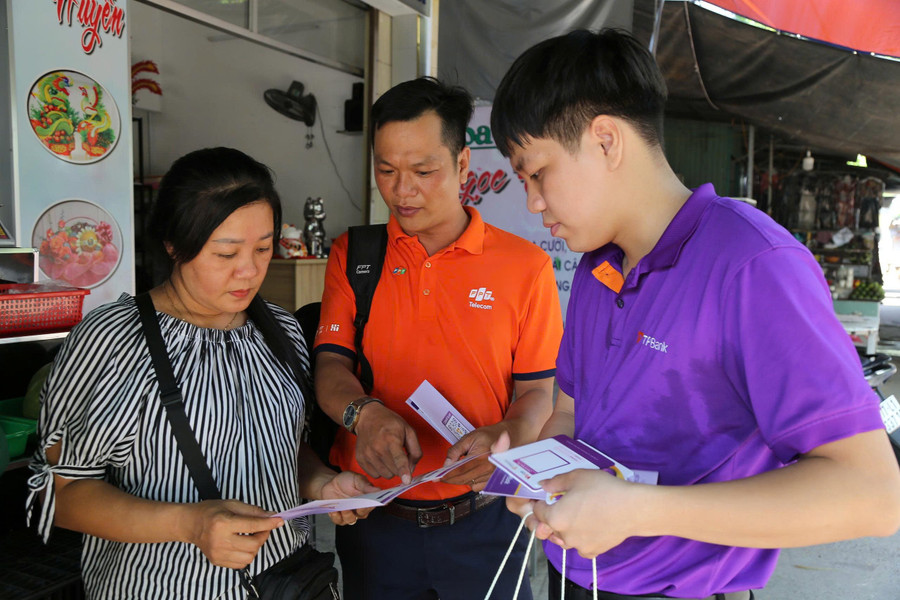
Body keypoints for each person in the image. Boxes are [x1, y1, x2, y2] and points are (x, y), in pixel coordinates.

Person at [489, 28, 900, 600]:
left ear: (606, 141)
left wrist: (637, 510)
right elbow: (569, 416)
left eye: (537, 173)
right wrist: (540, 475)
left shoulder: (754, 265)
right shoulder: (595, 270)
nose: (533, 202)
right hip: (574, 578)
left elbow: (872, 496)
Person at [26, 147, 377, 599]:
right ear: (174, 244)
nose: (249, 271)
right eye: (225, 253)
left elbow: (285, 447)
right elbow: (62, 493)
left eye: (264, 247)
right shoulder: (111, 341)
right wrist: (190, 524)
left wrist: (323, 484)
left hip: (283, 582)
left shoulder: (281, 330)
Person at [313, 76, 564, 599]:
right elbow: (331, 369)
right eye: (386, 170)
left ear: (462, 166)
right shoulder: (355, 255)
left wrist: (506, 437)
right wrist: (367, 415)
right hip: (376, 521)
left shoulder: (525, 266)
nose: (402, 191)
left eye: (423, 171)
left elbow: (537, 393)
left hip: (486, 524)